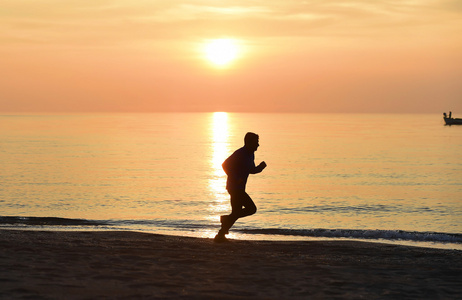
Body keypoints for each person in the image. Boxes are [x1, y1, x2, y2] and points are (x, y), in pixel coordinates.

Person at [214, 132, 267, 242]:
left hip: (240, 188)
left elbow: (251, 170)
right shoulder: (240, 153)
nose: (258, 145)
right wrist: (236, 178)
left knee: (236, 212)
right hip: (234, 188)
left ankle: (220, 235)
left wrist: (260, 168)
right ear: (249, 142)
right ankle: (224, 223)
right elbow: (224, 165)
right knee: (251, 209)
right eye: (256, 142)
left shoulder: (250, 154)